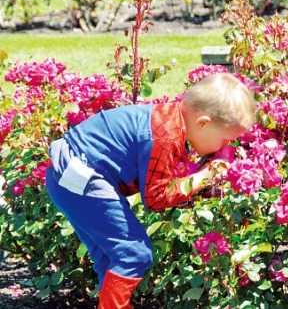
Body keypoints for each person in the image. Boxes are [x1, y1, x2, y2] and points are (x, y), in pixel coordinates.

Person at [45, 73, 256, 308]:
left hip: (66, 175)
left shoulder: (168, 121)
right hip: (79, 174)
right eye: (226, 139)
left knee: (112, 256)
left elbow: (159, 182)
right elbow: (156, 198)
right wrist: (201, 177)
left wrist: (200, 187)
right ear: (203, 123)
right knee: (134, 252)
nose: (226, 146)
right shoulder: (165, 135)